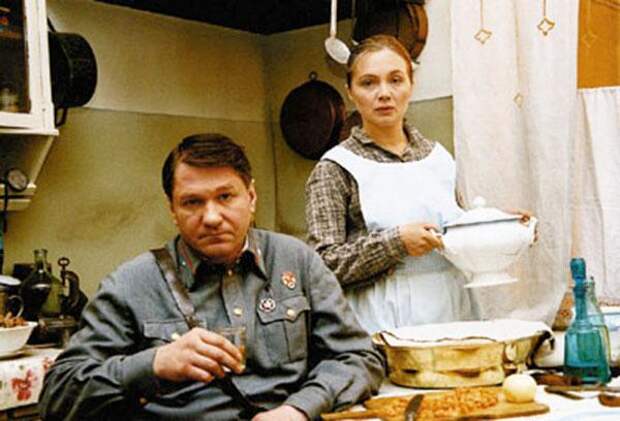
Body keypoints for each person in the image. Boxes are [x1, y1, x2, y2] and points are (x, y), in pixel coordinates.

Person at [40, 134, 384, 420]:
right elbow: (58, 394)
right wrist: (154, 364)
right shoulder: (132, 284)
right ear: (172, 210)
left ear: (251, 197)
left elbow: (359, 357)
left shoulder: (297, 261)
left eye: (225, 197)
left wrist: (299, 408)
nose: (212, 217)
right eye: (192, 202)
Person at [305, 34, 482, 334]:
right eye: (368, 83)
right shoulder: (335, 168)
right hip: (378, 321)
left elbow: (458, 236)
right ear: (350, 92)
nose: (384, 93)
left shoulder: (439, 158)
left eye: (396, 80)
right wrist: (395, 244)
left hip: (454, 311)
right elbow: (322, 267)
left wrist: (498, 226)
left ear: (411, 85)